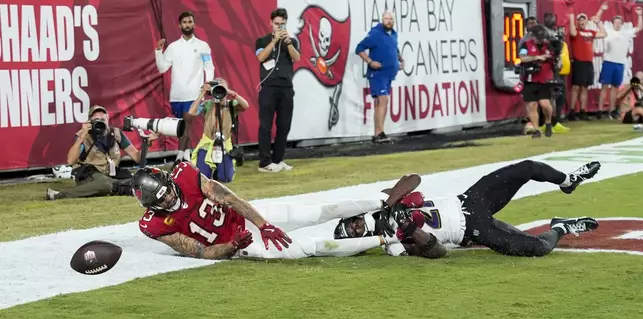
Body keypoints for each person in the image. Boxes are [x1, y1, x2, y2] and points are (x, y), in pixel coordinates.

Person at [334, 160, 602, 258]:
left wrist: (393, 204)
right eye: (354, 231)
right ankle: (561, 226)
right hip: (473, 229)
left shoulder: (386, 200)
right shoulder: (392, 245)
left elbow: (414, 178)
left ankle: (568, 181)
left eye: (352, 223)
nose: (357, 226)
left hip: (470, 199)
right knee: (538, 248)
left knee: (527, 168)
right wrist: (408, 227)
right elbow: (437, 252)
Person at [132, 162, 398, 259]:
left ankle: (382, 203)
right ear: (150, 206)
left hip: (248, 220)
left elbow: (230, 198)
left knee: (315, 212)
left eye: (167, 189)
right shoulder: (153, 225)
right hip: (239, 246)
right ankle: (386, 239)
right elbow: (200, 251)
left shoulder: (186, 174)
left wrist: (263, 224)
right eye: (161, 199)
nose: (168, 197)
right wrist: (232, 246)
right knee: (311, 247)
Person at [46, 105, 156, 200]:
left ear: (108, 119)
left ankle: (119, 186)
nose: (100, 123)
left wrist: (146, 144)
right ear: (90, 122)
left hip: (111, 174)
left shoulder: (116, 133)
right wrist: (81, 137)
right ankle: (60, 195)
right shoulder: (84, 135)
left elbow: (137, 158)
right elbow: (70, 160)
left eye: (102, 119)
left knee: (138, 179)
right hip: (89, 175)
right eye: (96, 120)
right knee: (105, 183)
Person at [155, 11, 215, 162]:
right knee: (182, 125)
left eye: (190, 22)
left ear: (194, 24)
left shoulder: (202, 46)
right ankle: (186, 156)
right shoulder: (173, 47)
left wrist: (208, 84)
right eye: (185, 22)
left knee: (187, 123)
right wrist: (158, 51)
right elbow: (162, 68)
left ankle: (181, 157)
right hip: (177, 95)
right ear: (180, 25)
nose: (187, 25)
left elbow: (209, 67)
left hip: (195, 94)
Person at [255, 8, 300, 173]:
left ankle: (278, 159)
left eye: (282, 24)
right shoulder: (262, 41)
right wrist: (274, 42)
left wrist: (287, 43)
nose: (279, 27)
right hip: (268, 87)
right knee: (265, 125)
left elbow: (296, 58)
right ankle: (265, 162)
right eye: (277, 24)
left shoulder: (292, 42)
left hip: (286, 87)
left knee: (284, 125)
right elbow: (260, 57)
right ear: (271, 23)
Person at [186, 78, 249, 182]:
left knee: (226, 178)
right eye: (217, 88)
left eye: (222, 88)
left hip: (225, 145)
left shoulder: (231, 104)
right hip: (207, 144)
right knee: (202, 177)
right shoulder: (208, 104)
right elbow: (191, 112)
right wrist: (203, 93)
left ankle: (217, 173)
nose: (220, 91)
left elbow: (246, 105)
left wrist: (230, 92)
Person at [355, 11, 405, 144]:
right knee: (382, 100)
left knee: (382, 102)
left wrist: (400, 60)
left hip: (388, 75)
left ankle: (379, 133)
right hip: (377, 74)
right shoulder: (375, 34)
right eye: (386, 18)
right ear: (382, 20)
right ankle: (379, 133)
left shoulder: (393, 34)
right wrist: (370, 62)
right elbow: (359, 48)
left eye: (391, 19)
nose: (389, 21)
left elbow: (395, 49)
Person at [598, 5, 643, 119]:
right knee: (604, 87)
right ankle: (600, 110)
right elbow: (597, 20)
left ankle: (611, 110)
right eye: (616, 22)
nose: (618, 24)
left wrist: (639, 15)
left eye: (620, 22)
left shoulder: (626, 33)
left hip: (619, 64)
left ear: (622, 24)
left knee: (614, 88)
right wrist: (602, 10)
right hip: (608, 62)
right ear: (612, 23)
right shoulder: (607, 31)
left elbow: (639, 27)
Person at [518, 25, 558, 138]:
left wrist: (553, 60)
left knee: (545, 104)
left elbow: (556, 59)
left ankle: (548, 122)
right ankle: (537, 130)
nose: (539, 40)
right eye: (538, 38)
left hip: (544, 79)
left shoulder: (549, 45)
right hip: (530, 79)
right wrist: (537, 57)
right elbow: (522, 58)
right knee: (532, 105)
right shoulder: (526, 44)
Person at [568, 8, 607, 121]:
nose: (582, 21)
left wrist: (598, 22)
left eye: (584, 19)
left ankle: (583, 111)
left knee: (585, 88)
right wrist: (571, 18)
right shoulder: (576, 31)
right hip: (579, 62)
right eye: (580, 20)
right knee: (576, 88)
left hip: (589, 63)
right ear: (577, 22)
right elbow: (572, 32)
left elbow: (604, 34)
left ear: (587, 21)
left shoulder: (591, 32)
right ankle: (571, 111)